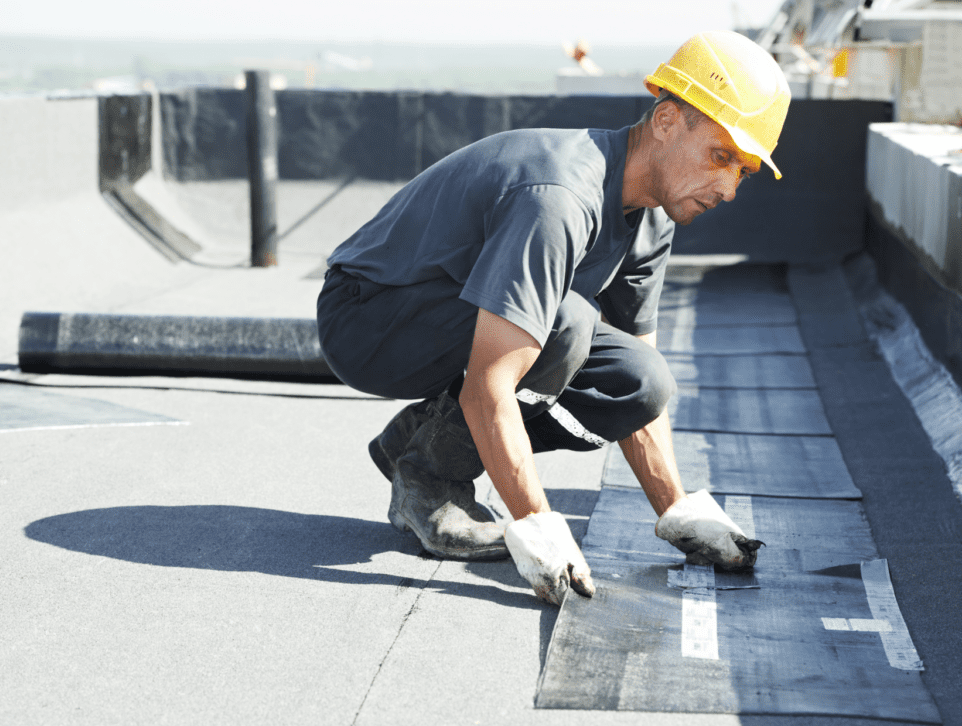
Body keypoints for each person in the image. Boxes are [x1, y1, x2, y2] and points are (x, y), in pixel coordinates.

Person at [317, 31, 791, 605]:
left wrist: (677, 510)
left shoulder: (653, 217)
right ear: (666, 122)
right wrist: (536, 523)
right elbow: (492, 382)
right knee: (565, 324)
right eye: (721, 156)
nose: (729, 188)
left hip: (456, 322)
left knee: (640, 382)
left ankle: (418, 442)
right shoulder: (561, 196)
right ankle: (430, 484)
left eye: (743, 171)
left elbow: (636, 370)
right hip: (371, 316)